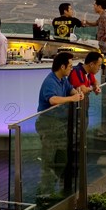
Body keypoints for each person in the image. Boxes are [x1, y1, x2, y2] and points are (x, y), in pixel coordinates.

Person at [36, 52, 84, 196]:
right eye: (69, 66)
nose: (71, 69)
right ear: (62, 66)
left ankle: (51, 188)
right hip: (48, 123)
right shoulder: (50, 81)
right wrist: (72, 99)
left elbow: (70, 89)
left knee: (61, 159)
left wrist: (77, 93)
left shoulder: (63, 79)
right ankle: (45, 192)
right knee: (49, 160)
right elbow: (53, 100)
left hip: (59, 125)